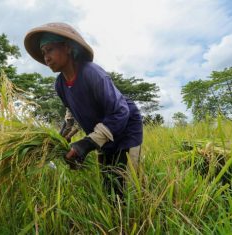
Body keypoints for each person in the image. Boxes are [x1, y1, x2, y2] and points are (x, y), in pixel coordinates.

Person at [24, 22, 143, 197]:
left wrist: (85, 145)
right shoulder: (60, 84)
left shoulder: (91, 73)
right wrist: (60, 141)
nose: (46, 57)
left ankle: (138, 217)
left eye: (49, 49)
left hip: (126, 129)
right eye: (43, 53)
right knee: (109, 184)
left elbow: (120, 112)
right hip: (103, 132)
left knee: (129, 187)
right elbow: (70, 113)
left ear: (67, 48)